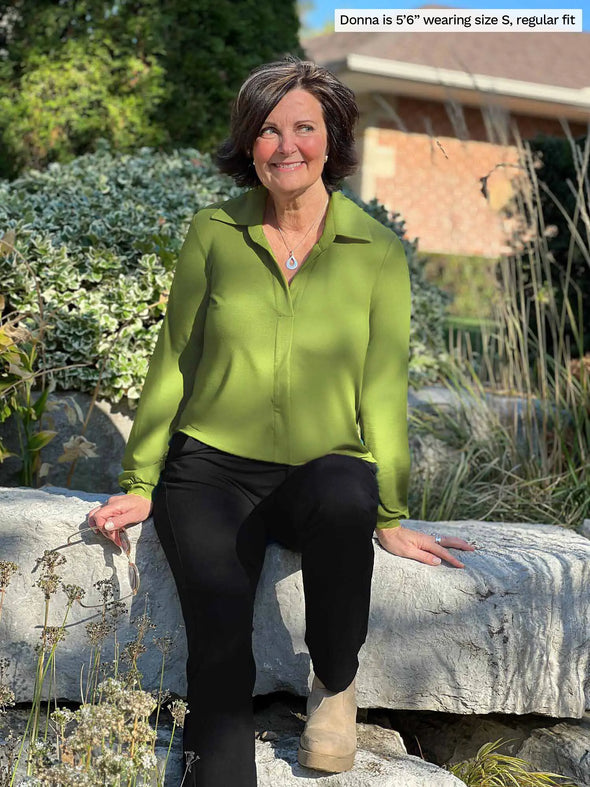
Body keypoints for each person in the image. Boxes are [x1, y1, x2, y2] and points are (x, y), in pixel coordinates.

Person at [88, 56, 474, 786]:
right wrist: (140, 479)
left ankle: (334, 684)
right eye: (268, 129)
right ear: (248, 143)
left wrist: (391, 512)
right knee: (220, 650)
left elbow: (382, 392)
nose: (285, 145)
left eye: (304, 127)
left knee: (346, 491)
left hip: (320, 471)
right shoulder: (213, 233)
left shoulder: (376, 254)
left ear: (333, 140)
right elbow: (174, 358)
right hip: (210, 473)